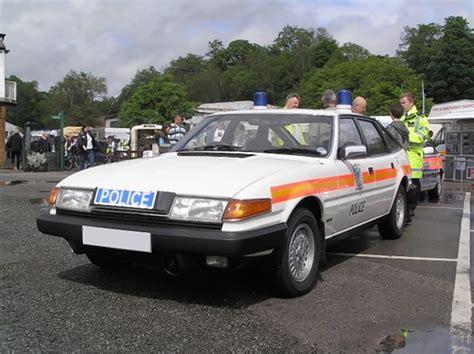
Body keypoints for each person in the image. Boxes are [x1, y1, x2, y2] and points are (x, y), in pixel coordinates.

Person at [399, 92, 430, 217]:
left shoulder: (420, 118)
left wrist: (405, 135)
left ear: (411, 103)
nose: (401, 105)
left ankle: (411, 208)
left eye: (403, 103)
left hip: (413, 156)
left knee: (413, 185)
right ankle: (404, 209)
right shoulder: (401, 117)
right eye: (400, 103)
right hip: (401, 155)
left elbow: (422, 137)